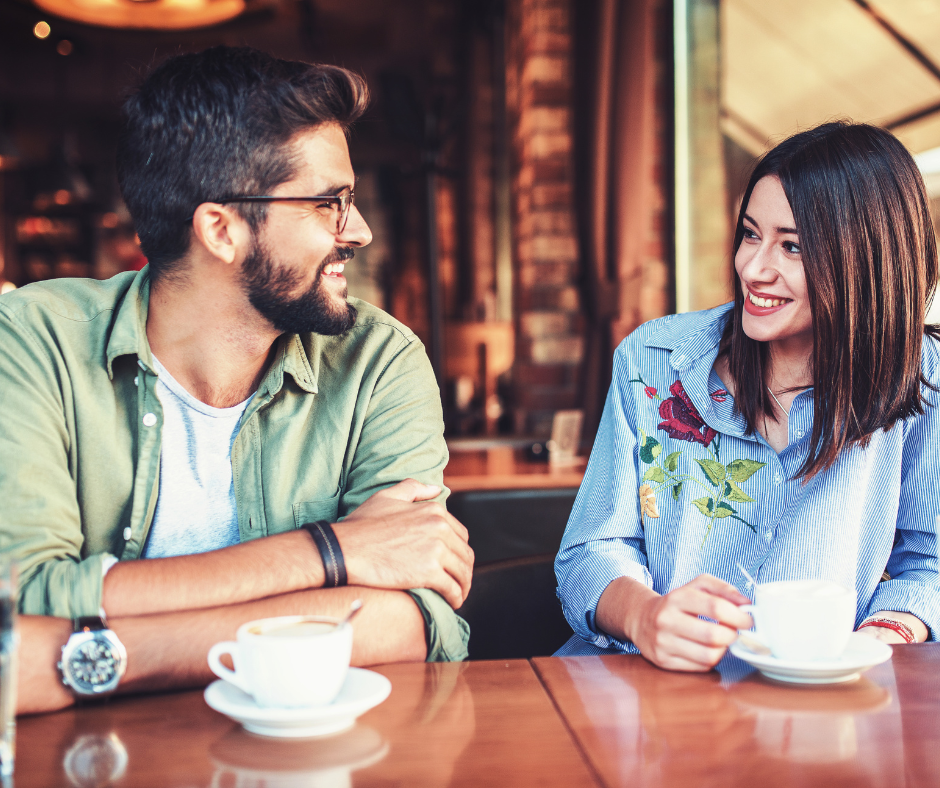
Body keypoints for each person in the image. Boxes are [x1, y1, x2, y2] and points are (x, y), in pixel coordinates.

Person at [1, 46, 473, 714]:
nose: (358, 230)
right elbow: (21, 597)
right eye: (326, 204)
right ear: (220, 230)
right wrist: (332, 553)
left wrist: (93, 654)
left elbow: (415, 618)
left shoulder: (377, 360)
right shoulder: (30, 341)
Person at [555, 121, 940, 669]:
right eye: (751, 234)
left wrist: (880, 635)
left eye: (793, 246)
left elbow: (931, 560)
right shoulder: (654, 360)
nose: (753, 268)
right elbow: (586, 554)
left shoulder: (921, 378)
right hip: (646, 699)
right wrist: (645, 616)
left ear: (867, 262)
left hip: (821, 712)